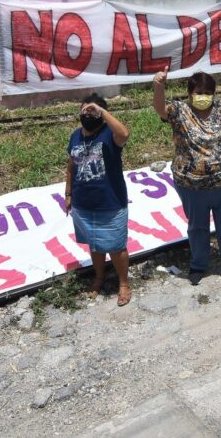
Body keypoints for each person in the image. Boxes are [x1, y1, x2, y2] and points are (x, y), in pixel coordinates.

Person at [152, 68, 221, 285]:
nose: (203, 95)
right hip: (191, 184)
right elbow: (161, 110)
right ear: (189, 92)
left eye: (207, 91)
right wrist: (159, 86)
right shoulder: (179, 109)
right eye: (198, 91)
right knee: (197, 227)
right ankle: (198, 265)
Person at [65, 94, 132, 306]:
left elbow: (124, 133)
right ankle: (99, 277)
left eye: (92, 111)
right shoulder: (75, 136)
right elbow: (71, 165)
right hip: (83, 203)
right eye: (84, 110)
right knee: (94, 245)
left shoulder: (109, 135)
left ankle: (123, 283)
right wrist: (68, 193)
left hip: (110, 202)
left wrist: (101, 111)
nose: (88, 114)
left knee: (116, 246)